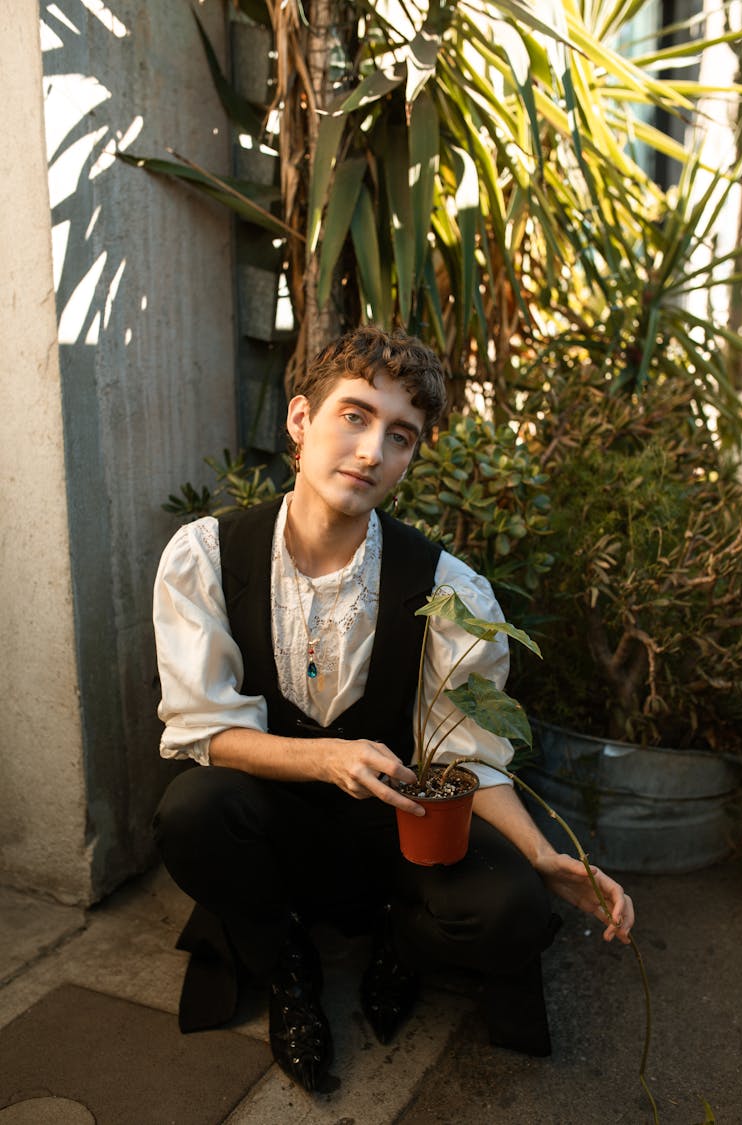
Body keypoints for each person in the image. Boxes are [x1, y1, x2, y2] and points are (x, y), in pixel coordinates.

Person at [152, 326, 634, 1093]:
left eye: (399, 435)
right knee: (191, 810)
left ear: (410, 457)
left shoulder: (447, 588)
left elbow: (471, 752)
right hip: (270, 819)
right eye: (355, 416)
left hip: (396, 833)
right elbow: (204, 728)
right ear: (301, 420)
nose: (373, 449)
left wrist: (541, 854)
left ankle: (400, 943)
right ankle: (285, 957)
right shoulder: (207, 556)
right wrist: (325, 757)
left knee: (509, 905)